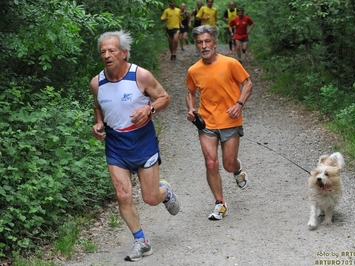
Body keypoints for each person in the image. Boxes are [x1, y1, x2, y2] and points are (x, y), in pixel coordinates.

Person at [90, 30, 180, 261]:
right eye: (103, 51)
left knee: (150, 198)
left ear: (123, 52)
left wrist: (149, 109)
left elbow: (164, 98)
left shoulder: (140, 75)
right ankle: (141, 241)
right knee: (122, 195)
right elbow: (98, 107)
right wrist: (99, 124)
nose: (107, 55)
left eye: (112, 50)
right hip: (116, 144)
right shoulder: (96, 83)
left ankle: (165, 192)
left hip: (142, 141)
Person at [185, 25, 253, 221]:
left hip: (230, 120)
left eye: (207, 41)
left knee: (228, 164)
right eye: (200, 42)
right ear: (196, 45)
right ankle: (220, 203)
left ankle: (238, 170)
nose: (204, 46)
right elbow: (190, 92)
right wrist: (191, 109)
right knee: (211, 162)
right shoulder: (194, 70)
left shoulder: (230, 63)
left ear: (215, 43)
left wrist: (239, 104)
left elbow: (248, 83)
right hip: (206, 123)